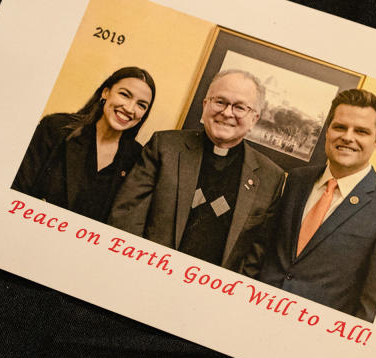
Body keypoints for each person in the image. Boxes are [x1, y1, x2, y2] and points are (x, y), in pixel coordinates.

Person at [251, 89, 376, 322]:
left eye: (361, 131)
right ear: (327, 131)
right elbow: (263, 249)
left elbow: (372, 304)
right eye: (340, 127)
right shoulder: (296, 179)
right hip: (255, 311)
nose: (348, 137)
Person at [108, 70, 285, 270]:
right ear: (205, 105)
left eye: (239, 107)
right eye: (220, 102)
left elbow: (255, 257)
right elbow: (126, 219)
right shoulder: (165, 147)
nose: (227, 113)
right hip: (145, 273)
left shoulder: (270, 177)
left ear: (254, 119)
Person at [11, 67, 156, 223]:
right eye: (124, 95)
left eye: (141, 105)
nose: (129, 108)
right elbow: (17, 190)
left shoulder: (138, 158)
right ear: (105, 92)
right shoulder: (55, 128)